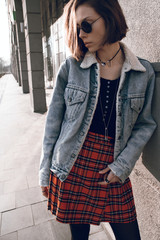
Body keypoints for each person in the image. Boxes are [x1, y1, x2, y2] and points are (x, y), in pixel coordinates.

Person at [39, 0, 156, 239]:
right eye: (77, 28)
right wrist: (44, 171)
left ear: (109, 17)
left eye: (87, 25)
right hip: (72, 166)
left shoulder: (142, 72)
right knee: (79, 237)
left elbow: (145, 125)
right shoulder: (71, 67)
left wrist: (122, 165)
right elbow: (53, 125)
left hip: (112, 167)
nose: (81, 34)